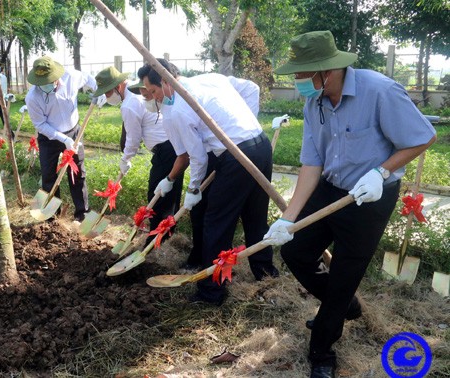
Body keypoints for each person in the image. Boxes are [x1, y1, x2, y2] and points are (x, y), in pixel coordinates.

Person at [262, 31, 437, 378]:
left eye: (300, 73)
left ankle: (322, 351)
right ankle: (342, 305)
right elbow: (312, 163)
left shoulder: (380, 92)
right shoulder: (315, 103)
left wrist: (381, 172)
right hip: (331, 188)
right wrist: (288, 219)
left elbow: (423, 136)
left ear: (326, 70)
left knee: (344, 273)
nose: (297, 81)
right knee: (295, 252)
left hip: (371, 195)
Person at [140, 59, 279, 305]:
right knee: (255, 217)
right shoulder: (210, 78)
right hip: (260, 145)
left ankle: (211, 293)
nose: (155, 98)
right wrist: (243, 125)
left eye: (154, 91)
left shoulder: (180, 109)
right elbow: (250, 88)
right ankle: (266, 275)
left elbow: (197, 157)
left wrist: (193, 188)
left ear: (165, 81)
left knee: (216, 223)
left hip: (235, 155)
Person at [93, 67, 184, 244]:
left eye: (109, 91)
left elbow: (133, 139)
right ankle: (167, 237)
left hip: (166, 151)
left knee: (157, 198)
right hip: (174, 148)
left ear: (119, 86)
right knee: (170, 197)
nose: (108, 96)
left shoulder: (129, 104)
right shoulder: (137, 95)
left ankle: (156, 242)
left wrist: (126, 159)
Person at [25, 56, 97, 222]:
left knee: (77, 172)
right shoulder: (32, 97)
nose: (46, 85)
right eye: (42, 83)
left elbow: (87, 77)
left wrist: (97, 92)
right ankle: (51, 216)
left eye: (49, 81)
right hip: (49, 137)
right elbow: (40, 124)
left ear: (56, 77)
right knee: (48, 174)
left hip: (74, 132)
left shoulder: (71, 77)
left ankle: (82, 214)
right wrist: (63, 139)